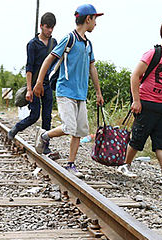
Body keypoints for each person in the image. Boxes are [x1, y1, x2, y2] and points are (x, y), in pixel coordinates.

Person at [117, 19, 162, 184]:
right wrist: (136, 100)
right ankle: (124, 165)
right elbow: (135, 76)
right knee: (138, 137)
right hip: (147, 102)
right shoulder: (153, 53)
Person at [34, 5, 104, 176]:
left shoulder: (88, 44)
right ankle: (45, 136)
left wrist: (98, 92)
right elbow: (49, 59)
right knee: (69, 127)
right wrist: (39, 82)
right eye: (95, 19)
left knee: (79, 130)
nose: (96, 24)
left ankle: (71, 164)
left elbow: (92, 67)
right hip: (65, 90)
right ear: (88, 19)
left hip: (81, 94)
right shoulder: (69, 39)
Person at [7, 12, 58, 160]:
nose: (50, 31)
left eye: (52, 28)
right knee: (35, 115)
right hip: (35, 86)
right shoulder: (32, 44)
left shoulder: (54, 43)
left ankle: (45, 145)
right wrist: (29, 89)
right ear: (41, 26)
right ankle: (16, 128)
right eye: (47, 27)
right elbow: (29, 68)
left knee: (47, 116)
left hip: (47, 85)